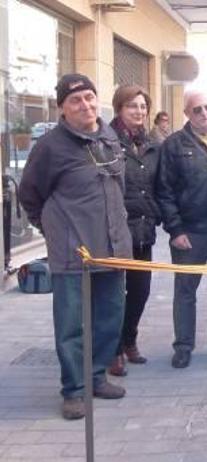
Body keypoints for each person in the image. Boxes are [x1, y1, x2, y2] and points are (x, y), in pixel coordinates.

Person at [19, 73, 131, 420]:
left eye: (89, 97)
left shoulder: (109, 136)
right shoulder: (50, 146)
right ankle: (74, 390)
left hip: (113, 248)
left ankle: (96, 377)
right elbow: (29, 196)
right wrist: (54, 232)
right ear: (63, 108)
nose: (85, 105)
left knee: (109, 318)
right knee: (72, 325)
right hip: (73, 255)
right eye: (75, 100)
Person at [157, 91, 207, 369]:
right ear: (187, 114)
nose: (204, 113)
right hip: (190, 232)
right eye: (197, 110)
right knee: (185, 290)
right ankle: (183, 345)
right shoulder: (173, 145)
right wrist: (175, 229)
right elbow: (164, 190)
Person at [107, 85, 162, 377]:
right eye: (132, 106)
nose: (139, 112)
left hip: (144, 228)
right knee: (115, 293)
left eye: (143, 107)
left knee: (140, 290)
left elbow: (157, 184)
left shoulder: (151, 143)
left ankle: (129, 339)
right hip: (116, 230)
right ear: (119, 108)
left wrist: (157, 213)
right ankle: (113, 349)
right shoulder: (106, 141)